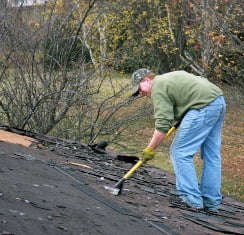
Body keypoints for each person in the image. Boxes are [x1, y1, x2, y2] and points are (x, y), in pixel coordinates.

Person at [131, 69, 226, 213]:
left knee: (179, 152)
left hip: (202, 106)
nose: (141, 94)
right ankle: (211, 202)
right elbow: (199, 82)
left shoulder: (158, 86)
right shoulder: (169, 78)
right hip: (218, 101)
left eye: (139, 89)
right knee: (211, 155)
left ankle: (191, 199)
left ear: (147, 80)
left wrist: (150, 149)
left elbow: (163, 125)